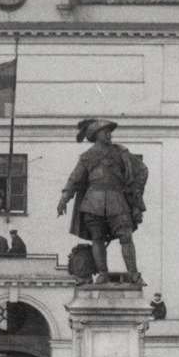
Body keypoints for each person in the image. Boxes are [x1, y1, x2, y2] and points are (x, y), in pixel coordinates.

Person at [56, 117, 148, 283]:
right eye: (105, 131)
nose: (109, 134)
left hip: (118, 200)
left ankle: (133, 274)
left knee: (126, 236)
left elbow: (142, 170)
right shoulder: (87, 156)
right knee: (97, 238)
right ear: (96, 134)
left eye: (109, 131)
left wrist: (136, 191)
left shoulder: (121, 153)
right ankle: (102, 273)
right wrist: (64, 199)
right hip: (93, 202)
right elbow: (74, 179)